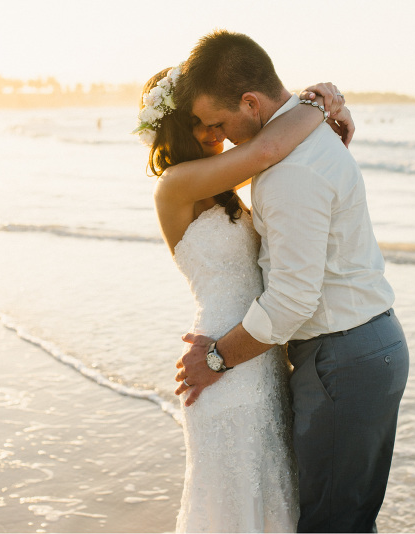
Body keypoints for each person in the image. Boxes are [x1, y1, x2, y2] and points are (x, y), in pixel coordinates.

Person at [173, 30, 409, 533]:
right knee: (345, 518)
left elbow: (291, 300)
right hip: (361, 347)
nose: (220, 138)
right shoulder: (311, 141)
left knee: (331, 524)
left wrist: (215, 357)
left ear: (251, 104)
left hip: (340, 358)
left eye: (220, 123)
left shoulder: (287, 173)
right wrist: (321, 105)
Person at [135, 64, 352, 532]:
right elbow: (270, 147)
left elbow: (283, 160)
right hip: (222, 359)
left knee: (273, 495)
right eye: (200, 120)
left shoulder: (223, 188)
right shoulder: (174, 186)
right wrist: (318, 101)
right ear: (175, 125)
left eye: (214, 117)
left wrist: (328, 105)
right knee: (234, 504)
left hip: (261, 353)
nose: (214, 129)